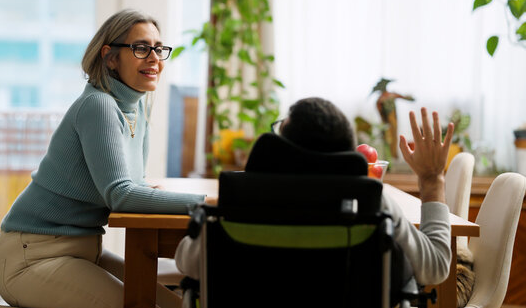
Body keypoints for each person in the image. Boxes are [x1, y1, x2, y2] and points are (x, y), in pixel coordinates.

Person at [0, 9, 206, 308]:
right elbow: (121, 195)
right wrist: (206, 203)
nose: (154, 58)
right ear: (110, 57)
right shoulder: (99, 105)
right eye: (141, 48)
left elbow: (134, 184)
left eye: (158, 49)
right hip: (32, 259)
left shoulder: (136, 108)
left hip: (82, 252)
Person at [175, 97, 454, 286]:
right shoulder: (370, 199)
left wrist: (216, 211)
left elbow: (187, 263)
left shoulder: (243, 195)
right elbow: (436, 267)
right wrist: (432, 180)